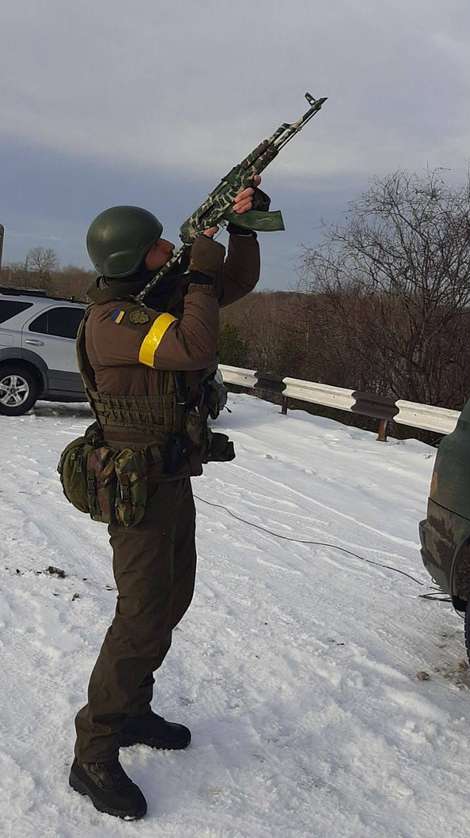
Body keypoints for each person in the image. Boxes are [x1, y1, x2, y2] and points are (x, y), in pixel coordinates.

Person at [68, 178, 265, 820]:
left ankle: (131, 712)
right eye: (157, 246)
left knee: (171, 598)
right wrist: (200, 275)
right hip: (140, 490)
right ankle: (93, 752)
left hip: (170, 481)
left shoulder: (148, 303)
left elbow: (233, 286)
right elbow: (196, 346)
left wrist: (242, 227)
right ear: (129, 261)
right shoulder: (116, 323)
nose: (167, 249)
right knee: (141, 613)